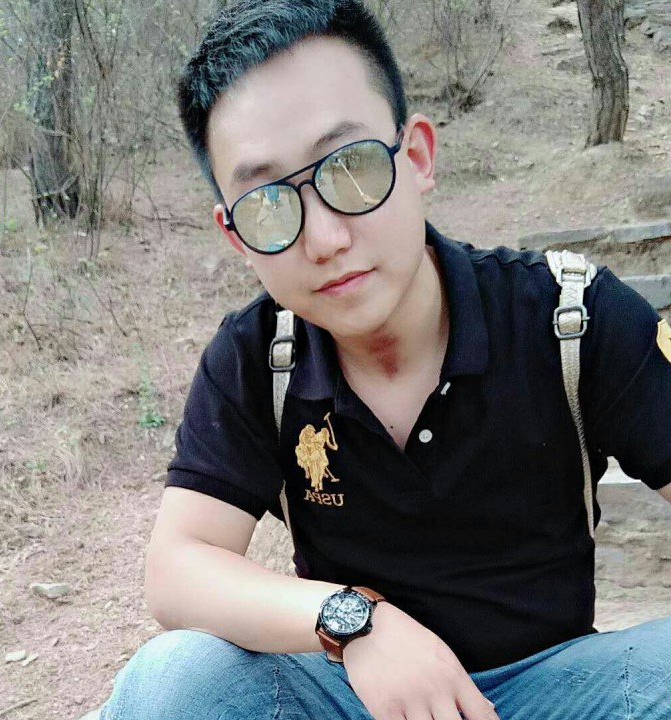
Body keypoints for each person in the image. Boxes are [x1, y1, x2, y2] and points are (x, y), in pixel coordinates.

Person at [100, 1, 671, 718]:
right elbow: (177, 568)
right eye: (269, 204)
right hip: (352, 696)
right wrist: (352, 621)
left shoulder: (571, 320)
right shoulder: (257, 360)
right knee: (174, 681)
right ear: (236, 236)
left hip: (562, 693)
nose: (326, 239)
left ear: (418, 157)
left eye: (351, 168)